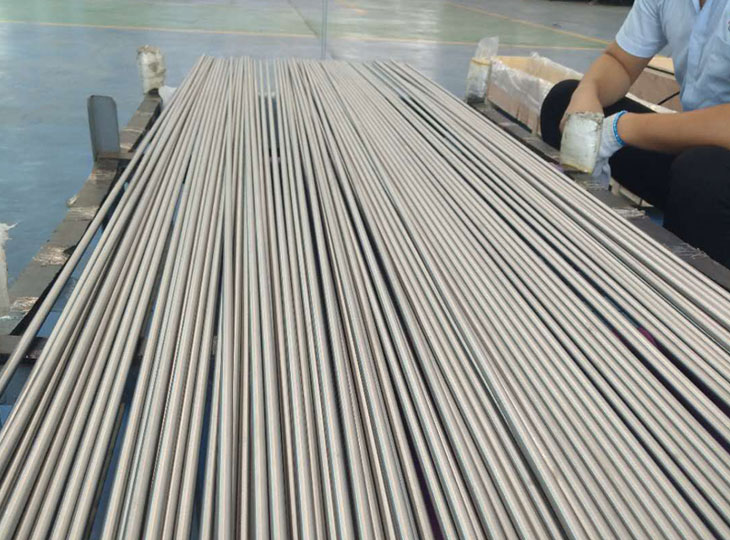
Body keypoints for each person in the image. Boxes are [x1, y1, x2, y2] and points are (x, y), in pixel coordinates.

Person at [540, 0, 730, 266]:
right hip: (696, 151)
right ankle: (574, 242)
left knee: (701, 174)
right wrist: (588, 93)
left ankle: (693, 284)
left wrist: (620, 128)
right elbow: (620, 62)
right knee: (563, 102)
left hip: (709, 171)